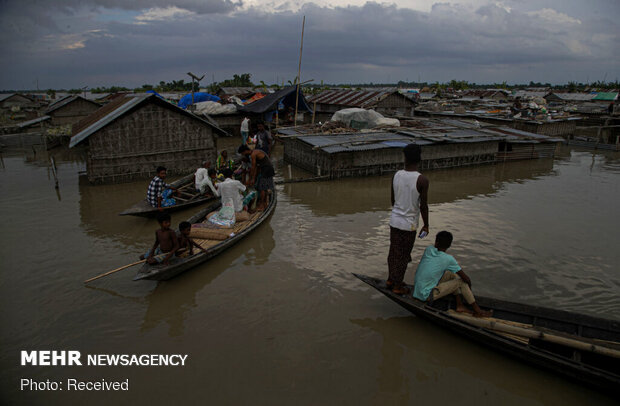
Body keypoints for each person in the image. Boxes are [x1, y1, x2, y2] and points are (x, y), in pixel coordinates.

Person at [413, 231, 492, 317]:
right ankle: (477, 310)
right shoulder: (449, 259)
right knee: (461, 282)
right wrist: (468, 290)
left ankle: (459, 305)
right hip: (426, 295)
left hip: (417, 291)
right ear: (449, 245)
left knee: (451, 274)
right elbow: (466, 279)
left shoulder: (428, 249)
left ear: (436, 242)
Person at [387, 143, 429, 295]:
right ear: (419, 158)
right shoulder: (422, 180)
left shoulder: (396, 175)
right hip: (408, 224)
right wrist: (426, 225)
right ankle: (397, 285)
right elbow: (423, 206)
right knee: (403, 256)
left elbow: (393, 200)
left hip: (394, 221)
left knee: (394, 252)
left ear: (405, 158)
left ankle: (391, 279)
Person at [237, 144, 274, 211]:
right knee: (263, 187)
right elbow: (256, 167)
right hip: (266, 169)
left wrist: (251, 179)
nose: (243, 155)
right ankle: (264, 203)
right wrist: (253, 178)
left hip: (266, 169)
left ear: (245, 151)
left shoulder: (253, 154)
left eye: (242, 153)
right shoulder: (255, 152)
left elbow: (253, 167)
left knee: (262, 188)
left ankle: (262, 205)